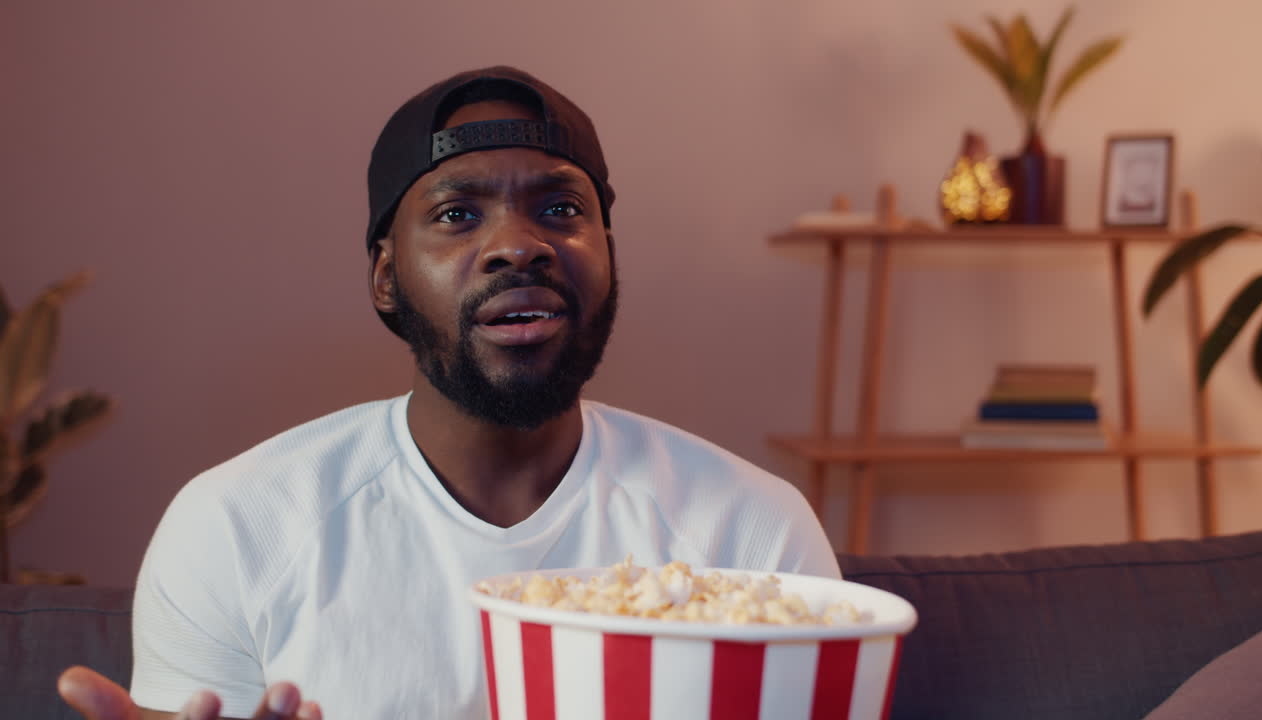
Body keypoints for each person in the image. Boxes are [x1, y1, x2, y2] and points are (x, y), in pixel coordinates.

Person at [57, 65, 839, 720]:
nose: (516, 246)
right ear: (386, 277)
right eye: (458, 214)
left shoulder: (751, 535)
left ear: (607, 251)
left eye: (562, 209)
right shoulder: (236, 528)